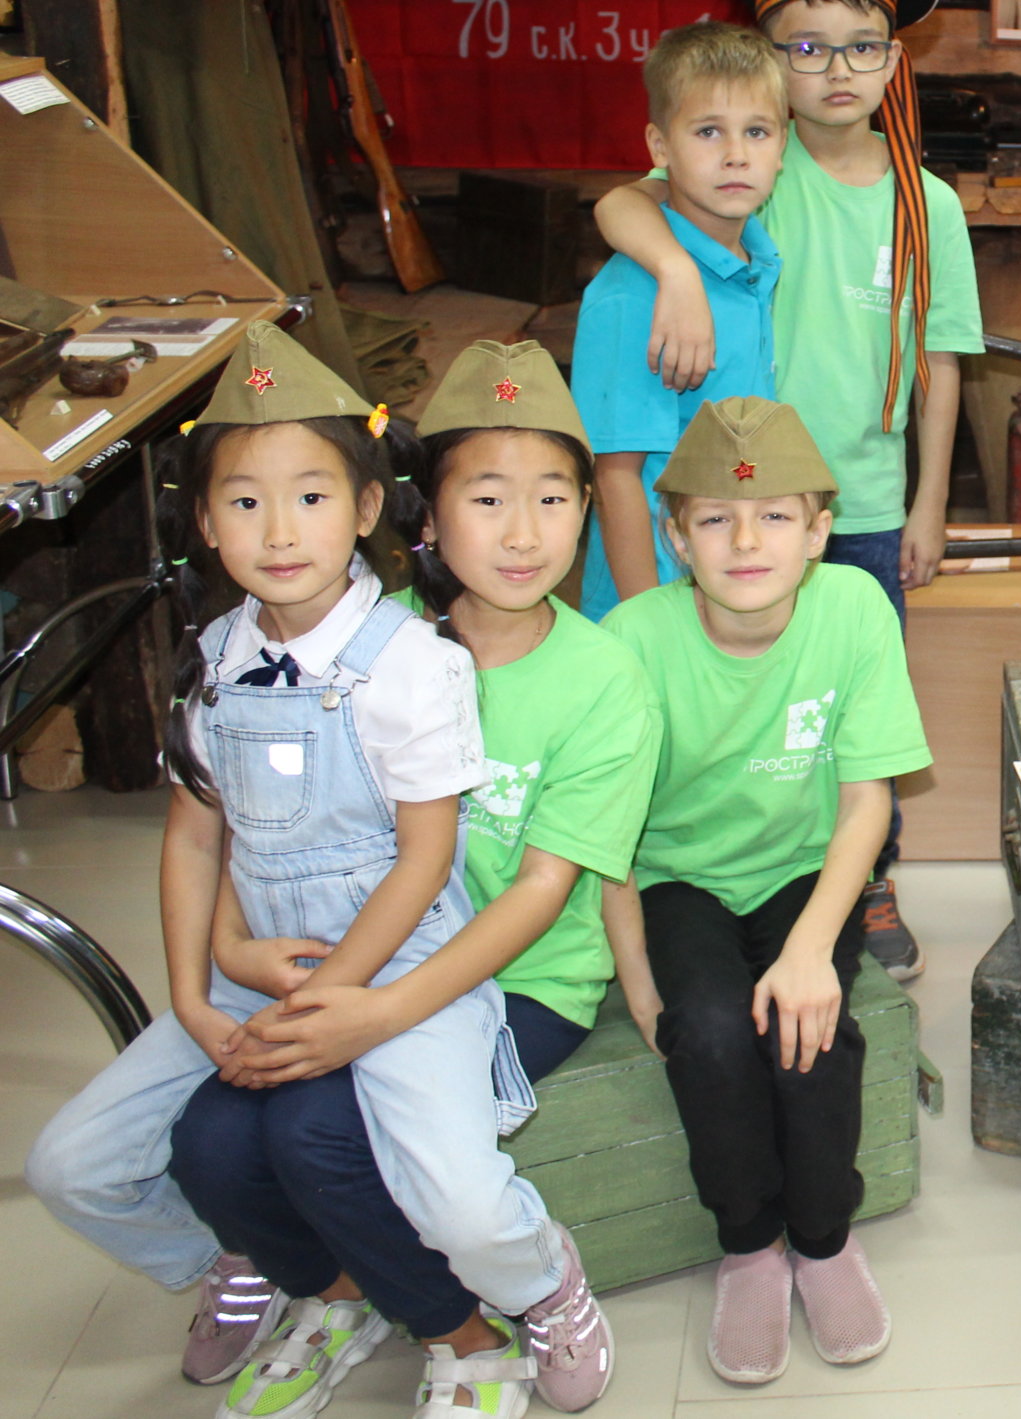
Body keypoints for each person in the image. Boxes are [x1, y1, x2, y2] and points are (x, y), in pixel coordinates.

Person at [26, 325, 600, 1419]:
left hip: (399, 964)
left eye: (311, 496)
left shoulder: (415, 666)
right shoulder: (213, 659)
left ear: (370, 507)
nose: (281, 531)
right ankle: (285, 1270)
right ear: (204, 521)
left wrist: (336, 1000)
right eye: (245, 502)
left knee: (460, 1200)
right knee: (73, 1164)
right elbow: (195, 836)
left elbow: (427, 857)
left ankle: (539, 1281)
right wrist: (196, 995)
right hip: (254, 971)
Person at [595, 0, 981, 980]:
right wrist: (675, 268)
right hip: (747, 500)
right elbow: (623, 201)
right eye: (805, 50)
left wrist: (930, 505)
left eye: (861, 47)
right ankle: (741, 868)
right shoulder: (758, 171)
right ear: (770, 65)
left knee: (856, 704)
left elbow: (941, 362)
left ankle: (868, 877)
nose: (837, 71)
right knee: (746, 694)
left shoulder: (927, 205)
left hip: (864, 501)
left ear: (894, 60)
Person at [602, 397, 930, 1386]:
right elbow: (605, 837)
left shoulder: (854, 608)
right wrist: (640, 984)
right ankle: (748, 1245)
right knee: (706, 1031)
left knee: (811, 1029)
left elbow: (868, 803)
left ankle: (823, 1240)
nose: (746, 542)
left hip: (804, 866)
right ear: (676, 537)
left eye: (776, 516)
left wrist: (812, 947)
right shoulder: (632, 639)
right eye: (715, 519)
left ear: (819, 531)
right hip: (678, 873)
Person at [571, 20, 786, 621]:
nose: (736, 154)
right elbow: (615, 478)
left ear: (782, 148)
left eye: (757, 131)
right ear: (660, 146)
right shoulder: (635, 295)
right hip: (659, 600)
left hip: (732, 584)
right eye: (708, 131)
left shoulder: (756, 264)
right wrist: (651, 629)